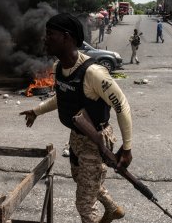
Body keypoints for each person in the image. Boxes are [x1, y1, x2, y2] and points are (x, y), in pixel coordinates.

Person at [20, 13, 133, 223]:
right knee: (81, 179)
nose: (45, 39)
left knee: (83, 204)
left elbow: (122, 106)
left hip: (96, 140)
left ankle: (103, 211)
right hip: (77, 137)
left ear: (66, 37)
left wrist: (127, 148)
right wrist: (36, 111)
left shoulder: (93, 73)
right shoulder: (59, 68)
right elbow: (62, 98)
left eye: (50, 34)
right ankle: (112, 209)